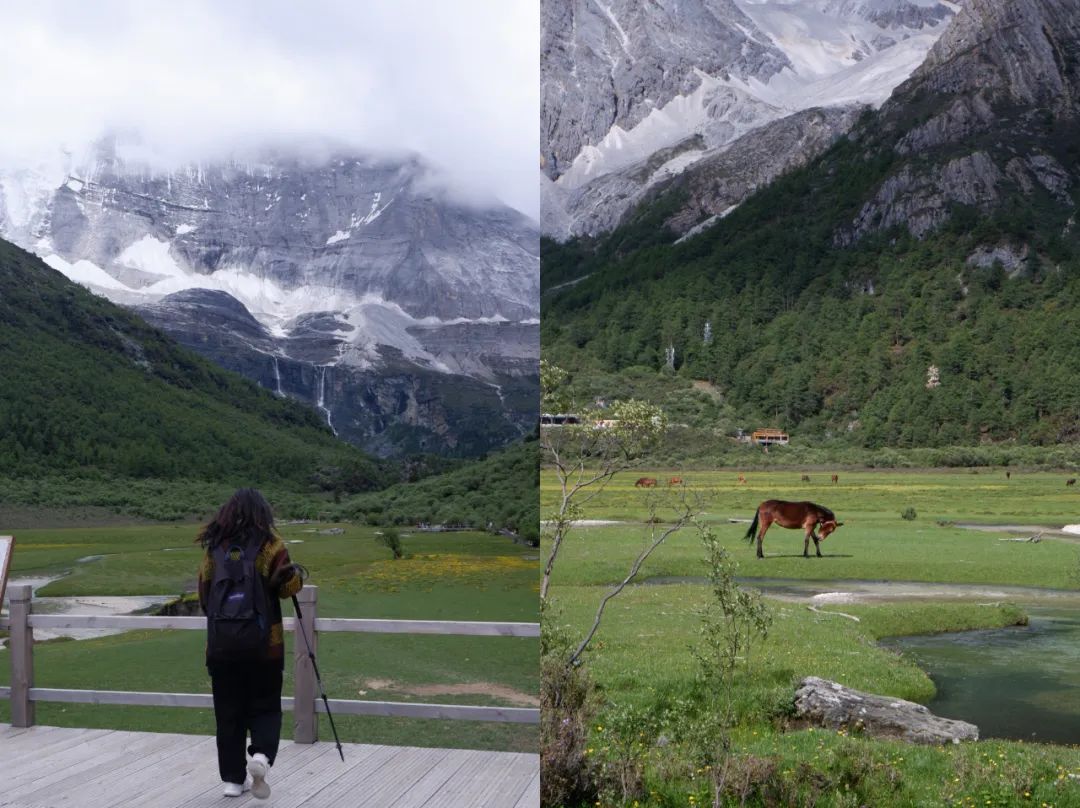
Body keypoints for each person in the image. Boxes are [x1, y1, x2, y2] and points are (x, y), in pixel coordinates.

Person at [197, 488, 303, 799]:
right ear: (263, 513)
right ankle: (260, 758)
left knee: (228, 713)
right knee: (266, 706)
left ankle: (232, 780)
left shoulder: (215, 548)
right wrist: (297, 576)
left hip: (221, 648)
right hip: (264, 648)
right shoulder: (271, 546)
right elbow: (287, 587)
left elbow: (205, 596)